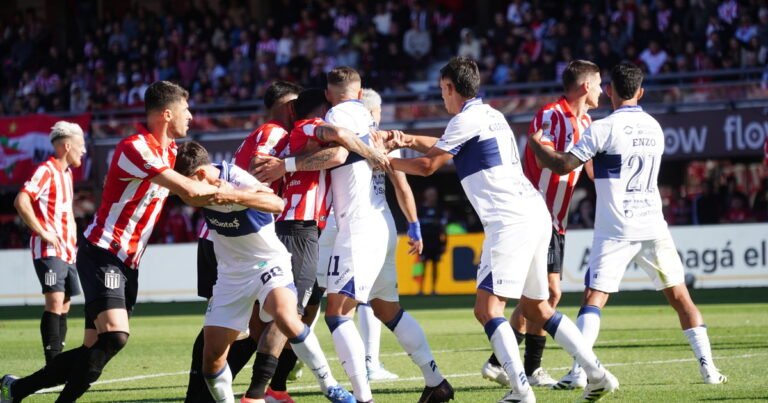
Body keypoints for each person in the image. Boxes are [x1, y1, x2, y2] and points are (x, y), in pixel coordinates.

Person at [388, 56, 618, 402]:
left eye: (442, 90)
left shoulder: (465, 120)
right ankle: (598, 375)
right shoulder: (490, 114)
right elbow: (442, 146)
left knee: (487, 309)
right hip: (535, 213)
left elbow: (427, 165)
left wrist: (384, 161)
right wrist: (404, 139)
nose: (442, 96)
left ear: (450, 87)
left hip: (509, 220)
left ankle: (520, 390)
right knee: (538, 308)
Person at [1, 80, 248, 402]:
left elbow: (195, 185)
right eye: (186, 110)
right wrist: (245, 196)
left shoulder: (171, 152)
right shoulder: (136, 148)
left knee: (95, 348)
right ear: (167, 114)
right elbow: (189, 190)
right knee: (115, 336)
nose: (191, 116)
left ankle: (15, 389)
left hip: (128, 262)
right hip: (103, 252)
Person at [257, 67, 452, 403]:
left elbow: (336, 154)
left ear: (329, 95)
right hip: (383, 221)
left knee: (336, 313)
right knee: (388, 310)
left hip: (357, 227)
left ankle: (364, 398)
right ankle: (436, 381)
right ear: (360, 93)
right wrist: (413, 222)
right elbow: (395, 175)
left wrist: (286, 165)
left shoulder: (335, 116)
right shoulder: (370, 118)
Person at [527, 62, 728, 386]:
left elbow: (563, 165)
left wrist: (536, 144)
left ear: (609, 91)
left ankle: (579, 373)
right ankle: (710, 370)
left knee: (593, 299)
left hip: (616, 228)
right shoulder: (654, 128)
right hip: (653, 225)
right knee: (681, 298)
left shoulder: (603, 128)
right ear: (641, 92)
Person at [173, 141, 354, 403]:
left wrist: (234, 196)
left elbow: (276, 203)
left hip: (267, 263)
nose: (184, 193)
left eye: (186, 185)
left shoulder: (234, 176)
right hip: (231, 275)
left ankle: (330, 385)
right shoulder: (196, 186)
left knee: (285, 316)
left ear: (200, 174)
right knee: (211, 360)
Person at [481, 60, 601, 389]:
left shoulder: (587, 122)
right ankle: (524, 367)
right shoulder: (551, 115)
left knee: (543, 295)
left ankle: (502, 363)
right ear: (586, 86)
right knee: (548, 293)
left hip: (557, 221)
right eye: (599, 84)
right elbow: (546, 159)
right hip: (536, 215)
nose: (602, 91)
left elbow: (589, 170)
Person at [186, 80, 304, 403]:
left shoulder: (261, 134)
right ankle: (201, 395)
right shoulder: (273, 132)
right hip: (229, 236)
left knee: (246, 326)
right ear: (287, 107)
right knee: (227, 326)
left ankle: (219, 393)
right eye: (298, 107)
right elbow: (257, 171)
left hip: (229, 233)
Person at [14, 121, 87, 364]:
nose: (83, 150)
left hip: (68, 251)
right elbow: (21, 201)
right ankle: (52, 364)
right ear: (67, 146)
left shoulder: (67, 174)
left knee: (64, 305)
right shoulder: (45, 170)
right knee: (54, 302)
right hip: (49, 251)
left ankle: (57, 362)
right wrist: (43, 232)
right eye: (80, 145)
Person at [415, 187, 446, 296]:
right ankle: (420, 289)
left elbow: (444, 228)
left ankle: (434, 289)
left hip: (436, 242)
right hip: (424, 242)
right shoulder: (420, 210)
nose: (433, 197)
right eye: (431, 195)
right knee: (422, 265)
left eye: (434, 195)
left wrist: (444, 243)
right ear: (426, 196)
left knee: (435, 266)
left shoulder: (439, 209)